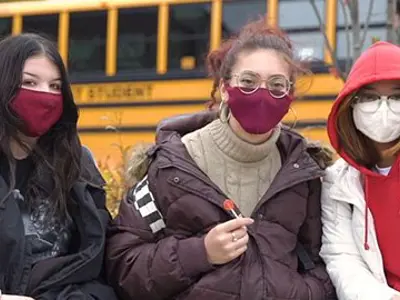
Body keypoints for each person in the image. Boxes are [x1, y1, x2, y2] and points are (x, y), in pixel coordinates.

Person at [106, 19, 335, 300]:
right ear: (226, 89)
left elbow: (326, 260)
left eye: (277, 85)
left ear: (290, 96)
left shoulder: (304, 172)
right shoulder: (171, 165)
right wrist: (199, 252)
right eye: (248, 82)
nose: (262, 94)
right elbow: (123, 266)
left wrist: (301, 293)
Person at [0, 33, 117, 299]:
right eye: (29, 82)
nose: (45, 95)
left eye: (55, 86)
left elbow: (95, 264)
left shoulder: (77, 164)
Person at [320, 41, 400, 300]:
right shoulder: (338, 180)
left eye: (397, 96)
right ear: (350, 105)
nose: (384, 108)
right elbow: (341, 256)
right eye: (369, 97)